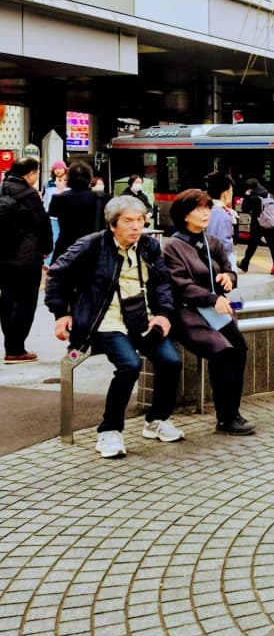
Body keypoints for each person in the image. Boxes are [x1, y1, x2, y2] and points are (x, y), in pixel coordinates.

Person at [45, 195, 183, 458]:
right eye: (128, 221)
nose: (136, 227)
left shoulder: (149, 247)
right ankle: (109, 430)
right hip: (105, 319)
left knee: (170, 361)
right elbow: (57, 274)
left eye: (140, 220)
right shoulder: (93, 245)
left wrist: (164, 314)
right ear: (112, 224)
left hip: (143, 318)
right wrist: (60, 313)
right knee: (130, 365)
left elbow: (163, 283)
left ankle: (156, 419)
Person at [162, 189, 254, 436]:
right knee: (222, 353)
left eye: (207, 208)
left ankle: (232, 413)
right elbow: (180, 285)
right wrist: (212, 297)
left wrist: (229, 277)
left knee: (239, 350)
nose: (205, 213)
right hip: (188, 313)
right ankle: (226, 418)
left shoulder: (211, 241)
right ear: (184, 215)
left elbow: (228, 269)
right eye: (199, 209)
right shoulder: (173, 246)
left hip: (216, 310)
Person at [0, 156, 52, 364]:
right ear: (30, 173)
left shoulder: (2, 188)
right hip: (26, 258)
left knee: (7, 300)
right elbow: (42, 224)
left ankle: (10, 345)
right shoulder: (29, 195)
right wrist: (47, 248)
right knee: (25, 302)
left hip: (3, 256)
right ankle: (15, 349)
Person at [50, 162, 107, 262]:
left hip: (66, 250)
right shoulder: (103, 199)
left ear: (68, 179)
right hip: (94, 250)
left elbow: (52, 214)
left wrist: (61, 191)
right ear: (90, 178)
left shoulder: (58, 199)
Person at [238, 178, 274, 272]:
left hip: (258, 225)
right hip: (271, 223)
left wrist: (246, 196)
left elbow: (244, 209)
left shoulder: (254, 197)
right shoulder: (270, 195)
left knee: (252, 245)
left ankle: (245, 264)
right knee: (273, 247)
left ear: (250, 188)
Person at [204, 172, 238, 272]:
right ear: (225, 193)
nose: (232, 193)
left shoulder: (206, 209)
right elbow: (224, 245)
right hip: (219, 267)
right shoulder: (222, 215)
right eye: (231, 190)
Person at [42, 161, 68, 263]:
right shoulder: (48, 183)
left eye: (60, 168)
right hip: (51, 215)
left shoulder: (69, 181)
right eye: (56, 168)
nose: (58, 170)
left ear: (65, 169)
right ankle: (48, 262)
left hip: (65, 215)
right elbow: (45, 198)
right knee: (53, 238)